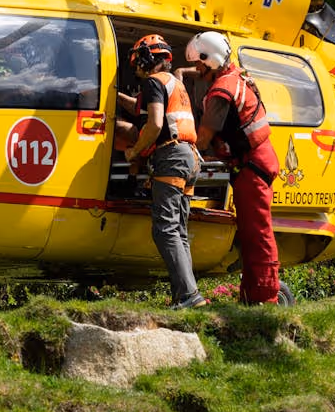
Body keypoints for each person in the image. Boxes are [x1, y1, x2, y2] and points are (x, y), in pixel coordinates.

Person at [185, 31, 281, 305]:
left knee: (258, 235)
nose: (198, 69)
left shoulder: (221, 92)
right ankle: (252, 298)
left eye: (200, 64)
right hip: (257, 162)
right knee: (252, 234)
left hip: (252, 168)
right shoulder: (237, 76)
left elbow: (202, 139)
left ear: (210, 59)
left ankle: (266, 298)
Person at [117, 34, 209, 310]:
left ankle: (190, 296)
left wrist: (134, 152)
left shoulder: (152, 82)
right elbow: (139, 106)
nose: (135, 67)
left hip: (171, 158)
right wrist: (111, 95)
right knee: (178, 231)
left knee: (165, 229)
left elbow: (155, 123)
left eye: (136, 61)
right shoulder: (174, 84)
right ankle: (185, 295)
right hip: (189, 158)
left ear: (146, 58)